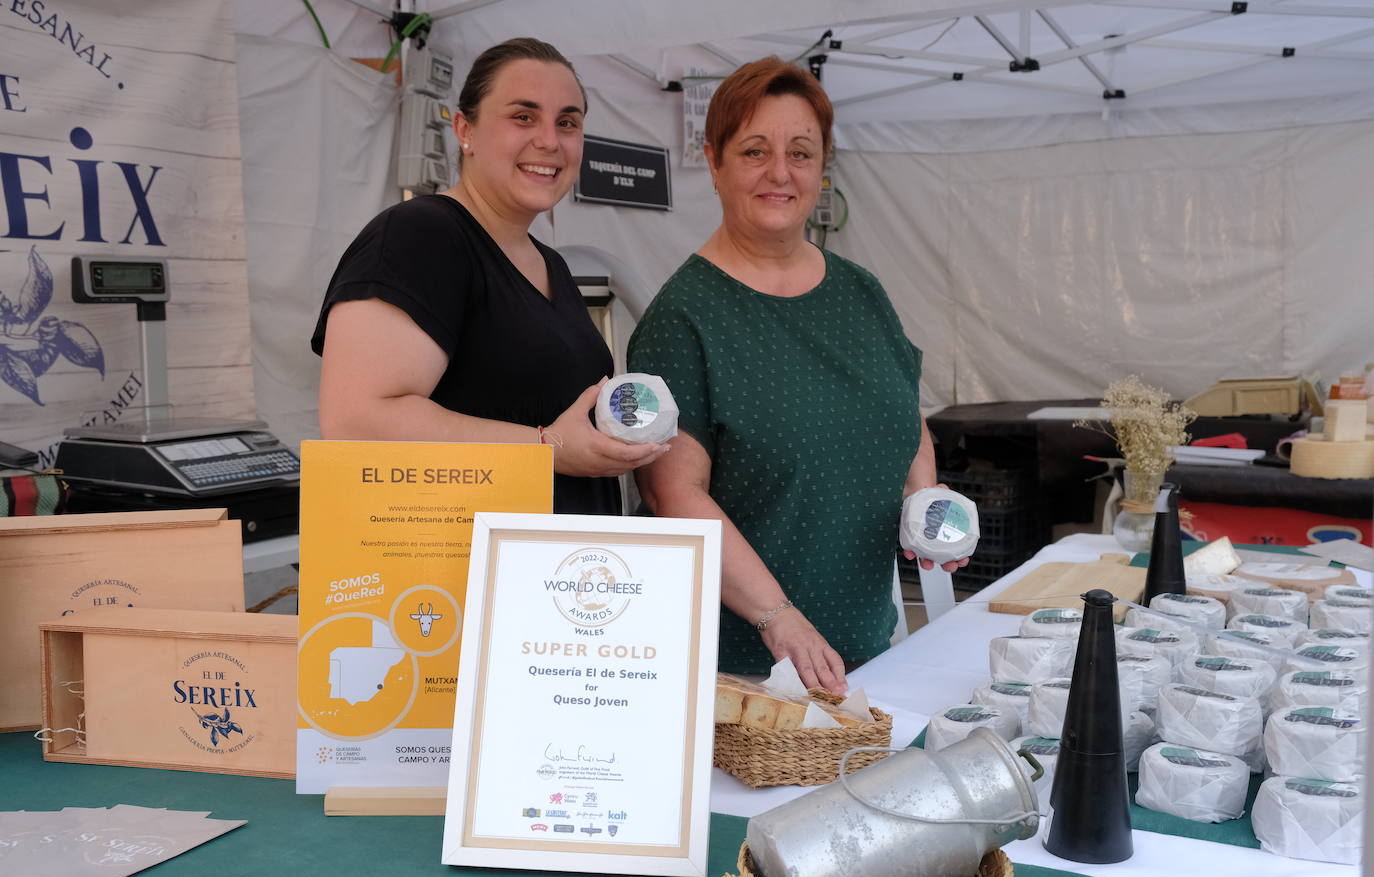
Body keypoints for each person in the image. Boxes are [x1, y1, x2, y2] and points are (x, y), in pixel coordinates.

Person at [628, 57, 967, 694]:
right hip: (745, 674)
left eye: (801, 153)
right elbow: (673, 497)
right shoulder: (683, 317)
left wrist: (924, 501)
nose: (780, 173)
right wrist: (779, 619)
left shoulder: (860, 292)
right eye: (755, 151)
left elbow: (905, 420)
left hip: (868, 646)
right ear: (714, 160)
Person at [312, 38, 665, 514]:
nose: (549, 140)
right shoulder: (420, 234)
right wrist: (549, 448)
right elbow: (357, 421)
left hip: (549, 574)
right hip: (457, 576)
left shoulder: (550, 263)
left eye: (567, 122)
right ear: (465, 130)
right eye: (523, 116)